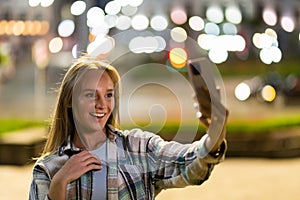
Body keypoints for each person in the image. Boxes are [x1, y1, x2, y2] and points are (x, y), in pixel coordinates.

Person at [29, 55, 228, 200]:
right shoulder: (48, 170)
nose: (102, 104)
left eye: (108, 95)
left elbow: (189, 163)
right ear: (70, 101)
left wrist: (215, 132)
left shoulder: (139, 148)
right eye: (90, 95)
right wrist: (59, 184)